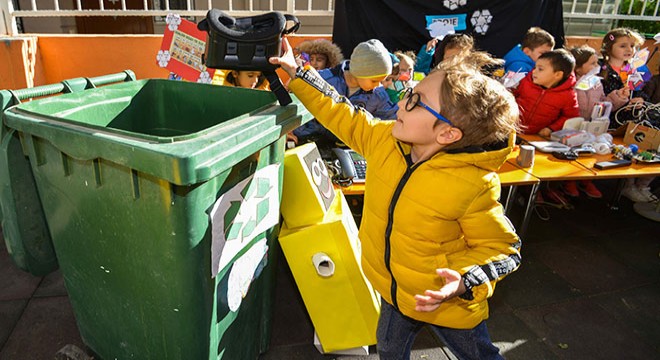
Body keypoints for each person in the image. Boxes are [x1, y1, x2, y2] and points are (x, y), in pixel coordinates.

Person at [271, 38, 521, 360]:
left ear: (447, 134)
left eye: (415, 101)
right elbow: (340, 112)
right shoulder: (385, 141)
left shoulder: (473, 184)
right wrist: (299, 74)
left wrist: (463, 280)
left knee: (479, 355)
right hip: (394, 292)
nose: (401, 104)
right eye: (407, 95)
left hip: (447, 302)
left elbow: (504, 249)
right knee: (388, 350)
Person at [291, 39, 398, 147]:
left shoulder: (378, 95)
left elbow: (391, 120)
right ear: (359, 71)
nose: (378, 85)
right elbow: (295, 103)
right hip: (307, 141)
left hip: (347, 148)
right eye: (374, 80)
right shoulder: (323, 79)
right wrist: (288, 131)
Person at [562, 45, 629, 199]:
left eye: (596, 63)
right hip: (572, 126)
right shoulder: (570, 83)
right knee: (574, 152)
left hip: (592, 126)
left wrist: (617, 96)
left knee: (592, 152)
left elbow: (604, 102)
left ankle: (586, 179)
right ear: (578, 68)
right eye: (592, 63)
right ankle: (569, 180)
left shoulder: (596, 82)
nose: (596, 66)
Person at [599, 28, 656, 203]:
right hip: (613, 119)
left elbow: (642, 91)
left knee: (651, 138)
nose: (629, 49)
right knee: (631, 145)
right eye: (622, 45)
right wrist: (621, 97)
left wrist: (640, 99)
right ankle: (628, 184)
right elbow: (602, 97)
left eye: (632, 46)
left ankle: (642, 184)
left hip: (635, 117)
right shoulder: (602, 69)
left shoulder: (635, 69)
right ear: (609, 47)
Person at [513, 49, 580, 137]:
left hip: (538, 138)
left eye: (540, 69)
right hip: (511, 131)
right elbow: (511, 97)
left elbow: (570, 117)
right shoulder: (525, 82)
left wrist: (551, 128)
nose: (534, 71)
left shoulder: (568, 95)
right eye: (535, 67)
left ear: (558, 75)